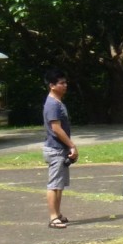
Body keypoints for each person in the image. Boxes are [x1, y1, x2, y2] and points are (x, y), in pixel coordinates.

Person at [42, 68, 77, 229]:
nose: (65, 85)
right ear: (52, 85)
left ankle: (58, 214)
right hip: (55, 149)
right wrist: (72, 145)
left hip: (60, 149)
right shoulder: (52, 104)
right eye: (61, 83)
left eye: (65, 82)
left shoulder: (58, 102)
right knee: (54, 184)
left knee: (60, 184)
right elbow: (56, 128)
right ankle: (53, 217)